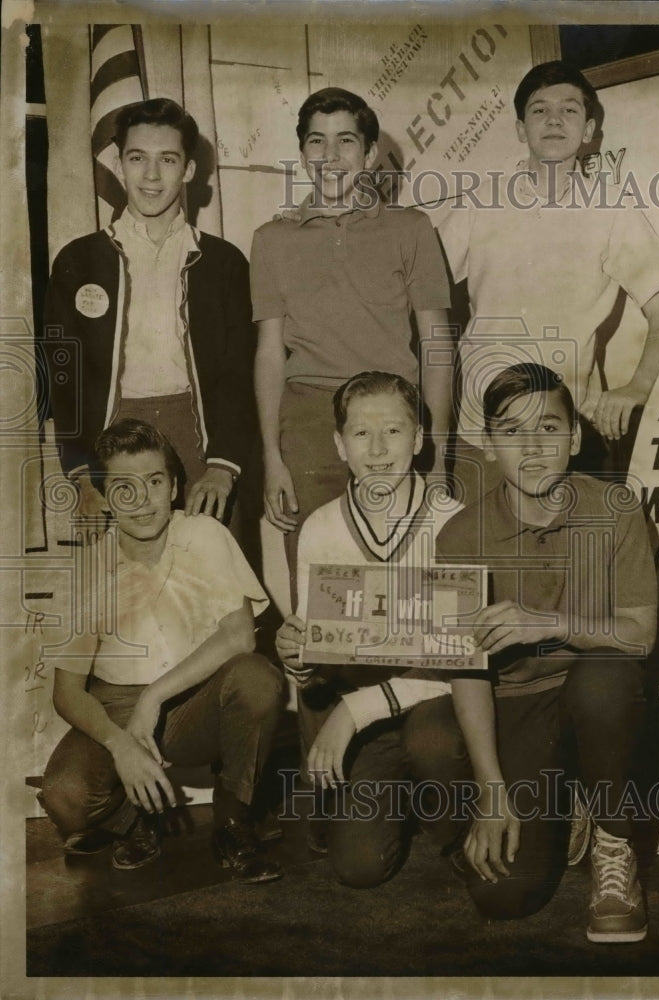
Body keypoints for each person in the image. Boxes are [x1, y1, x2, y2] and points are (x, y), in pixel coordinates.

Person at [434, 363, 658, 941]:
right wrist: (491, 790)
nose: (532, 449)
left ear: (576, 437)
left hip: (595, 694)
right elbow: (467, 670)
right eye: (512, 432)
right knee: (504, 897)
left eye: (549, 429)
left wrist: (548, 623)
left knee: (606, 679)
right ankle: (565, 802)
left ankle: (614, 840)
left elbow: (639, 635)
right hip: (520, 706)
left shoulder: (617, 508)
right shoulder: (460, 535)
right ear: (488, 444)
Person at [39, 420, 284, 882]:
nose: (143, 499)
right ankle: (138, 817)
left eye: (154, 482)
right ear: (106, 496)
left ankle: (234, 822)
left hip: (195, 701)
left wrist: (153, 699)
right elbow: (67, 692)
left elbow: (240, 637)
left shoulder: (204, 535)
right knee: (65, 799)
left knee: (256, 678)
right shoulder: (88, 566)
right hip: (117, 706)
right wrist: (120, 744)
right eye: (124, 487)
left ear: (174, 486)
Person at [437, 60, 659, 503]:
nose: (554, 120)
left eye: (569, 110)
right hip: (482, 432)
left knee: (571, 563)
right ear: (519, 128)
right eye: (539, 111)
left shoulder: (612, 210)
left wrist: (637, 387)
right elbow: (420, 290)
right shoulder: (479, 203)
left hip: (568, 435)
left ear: (589, 129)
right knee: (479, 561)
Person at [250, 87, 453, 602]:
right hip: (310, 417)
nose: (330, 155)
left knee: (411, 570)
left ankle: (404, 684)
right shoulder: (271, 239)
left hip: (393, 411)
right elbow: (270, 351)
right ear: (303, 154)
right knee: (321, 579)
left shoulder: (411, 228)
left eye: (345, 141)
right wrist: (273, 455)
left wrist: (441, 451)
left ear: (367, 154)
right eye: (316, 142)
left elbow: (436, 342)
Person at [275, 372, 466, 888]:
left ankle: (453, 822)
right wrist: (296, 654)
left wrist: (354, 710)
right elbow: (316, 658)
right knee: (359, 868)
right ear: (339, 444)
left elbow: (463, 661)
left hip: (436, 708)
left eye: (394, 431)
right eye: (362, 433)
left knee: (434, 741)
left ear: (420, 438)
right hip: (365, 715)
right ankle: (393, 798)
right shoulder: (319, 527)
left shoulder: (454, 521)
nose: (378, 449)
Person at [44, 98, 256, 524]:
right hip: (112, 435)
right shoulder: (78, 259)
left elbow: (239, 374)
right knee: (123, 582)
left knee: (213, 575)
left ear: (190, 170)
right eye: (138, 158)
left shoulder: (224, 262)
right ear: (119, 165)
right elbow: (64, 375)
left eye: (169, 159)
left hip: (200, 436)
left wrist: (222, 466)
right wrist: (82, 474)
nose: (152, 175)